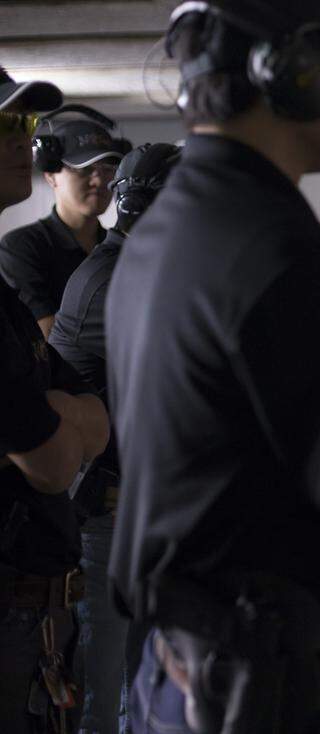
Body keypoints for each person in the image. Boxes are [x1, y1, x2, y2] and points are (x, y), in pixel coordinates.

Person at [104, 2, 320, 733]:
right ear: (289, 71)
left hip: (179, 668)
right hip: (284, 685)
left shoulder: (154, 239)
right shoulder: (291, 260)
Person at [49, 142, 183, 734]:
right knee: (106, 700)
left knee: (137, 690)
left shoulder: (137, 268)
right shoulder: (116, 281)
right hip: (106, 515)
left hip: (132, 511)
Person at [0, 65, 111, 734]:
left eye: (23, 125)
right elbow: (52, 462)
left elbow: (87, 409)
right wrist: (65, 418)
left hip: (29, 612)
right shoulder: (23, 255)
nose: (21, 140)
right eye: (4, 127)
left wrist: (64, 416)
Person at [0, 104, 126, 337]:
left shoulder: (120, 249)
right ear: (50, 175)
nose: (98, 181)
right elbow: (47, 336)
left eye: (107, 169)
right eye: (84, 169)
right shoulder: (22, 247)